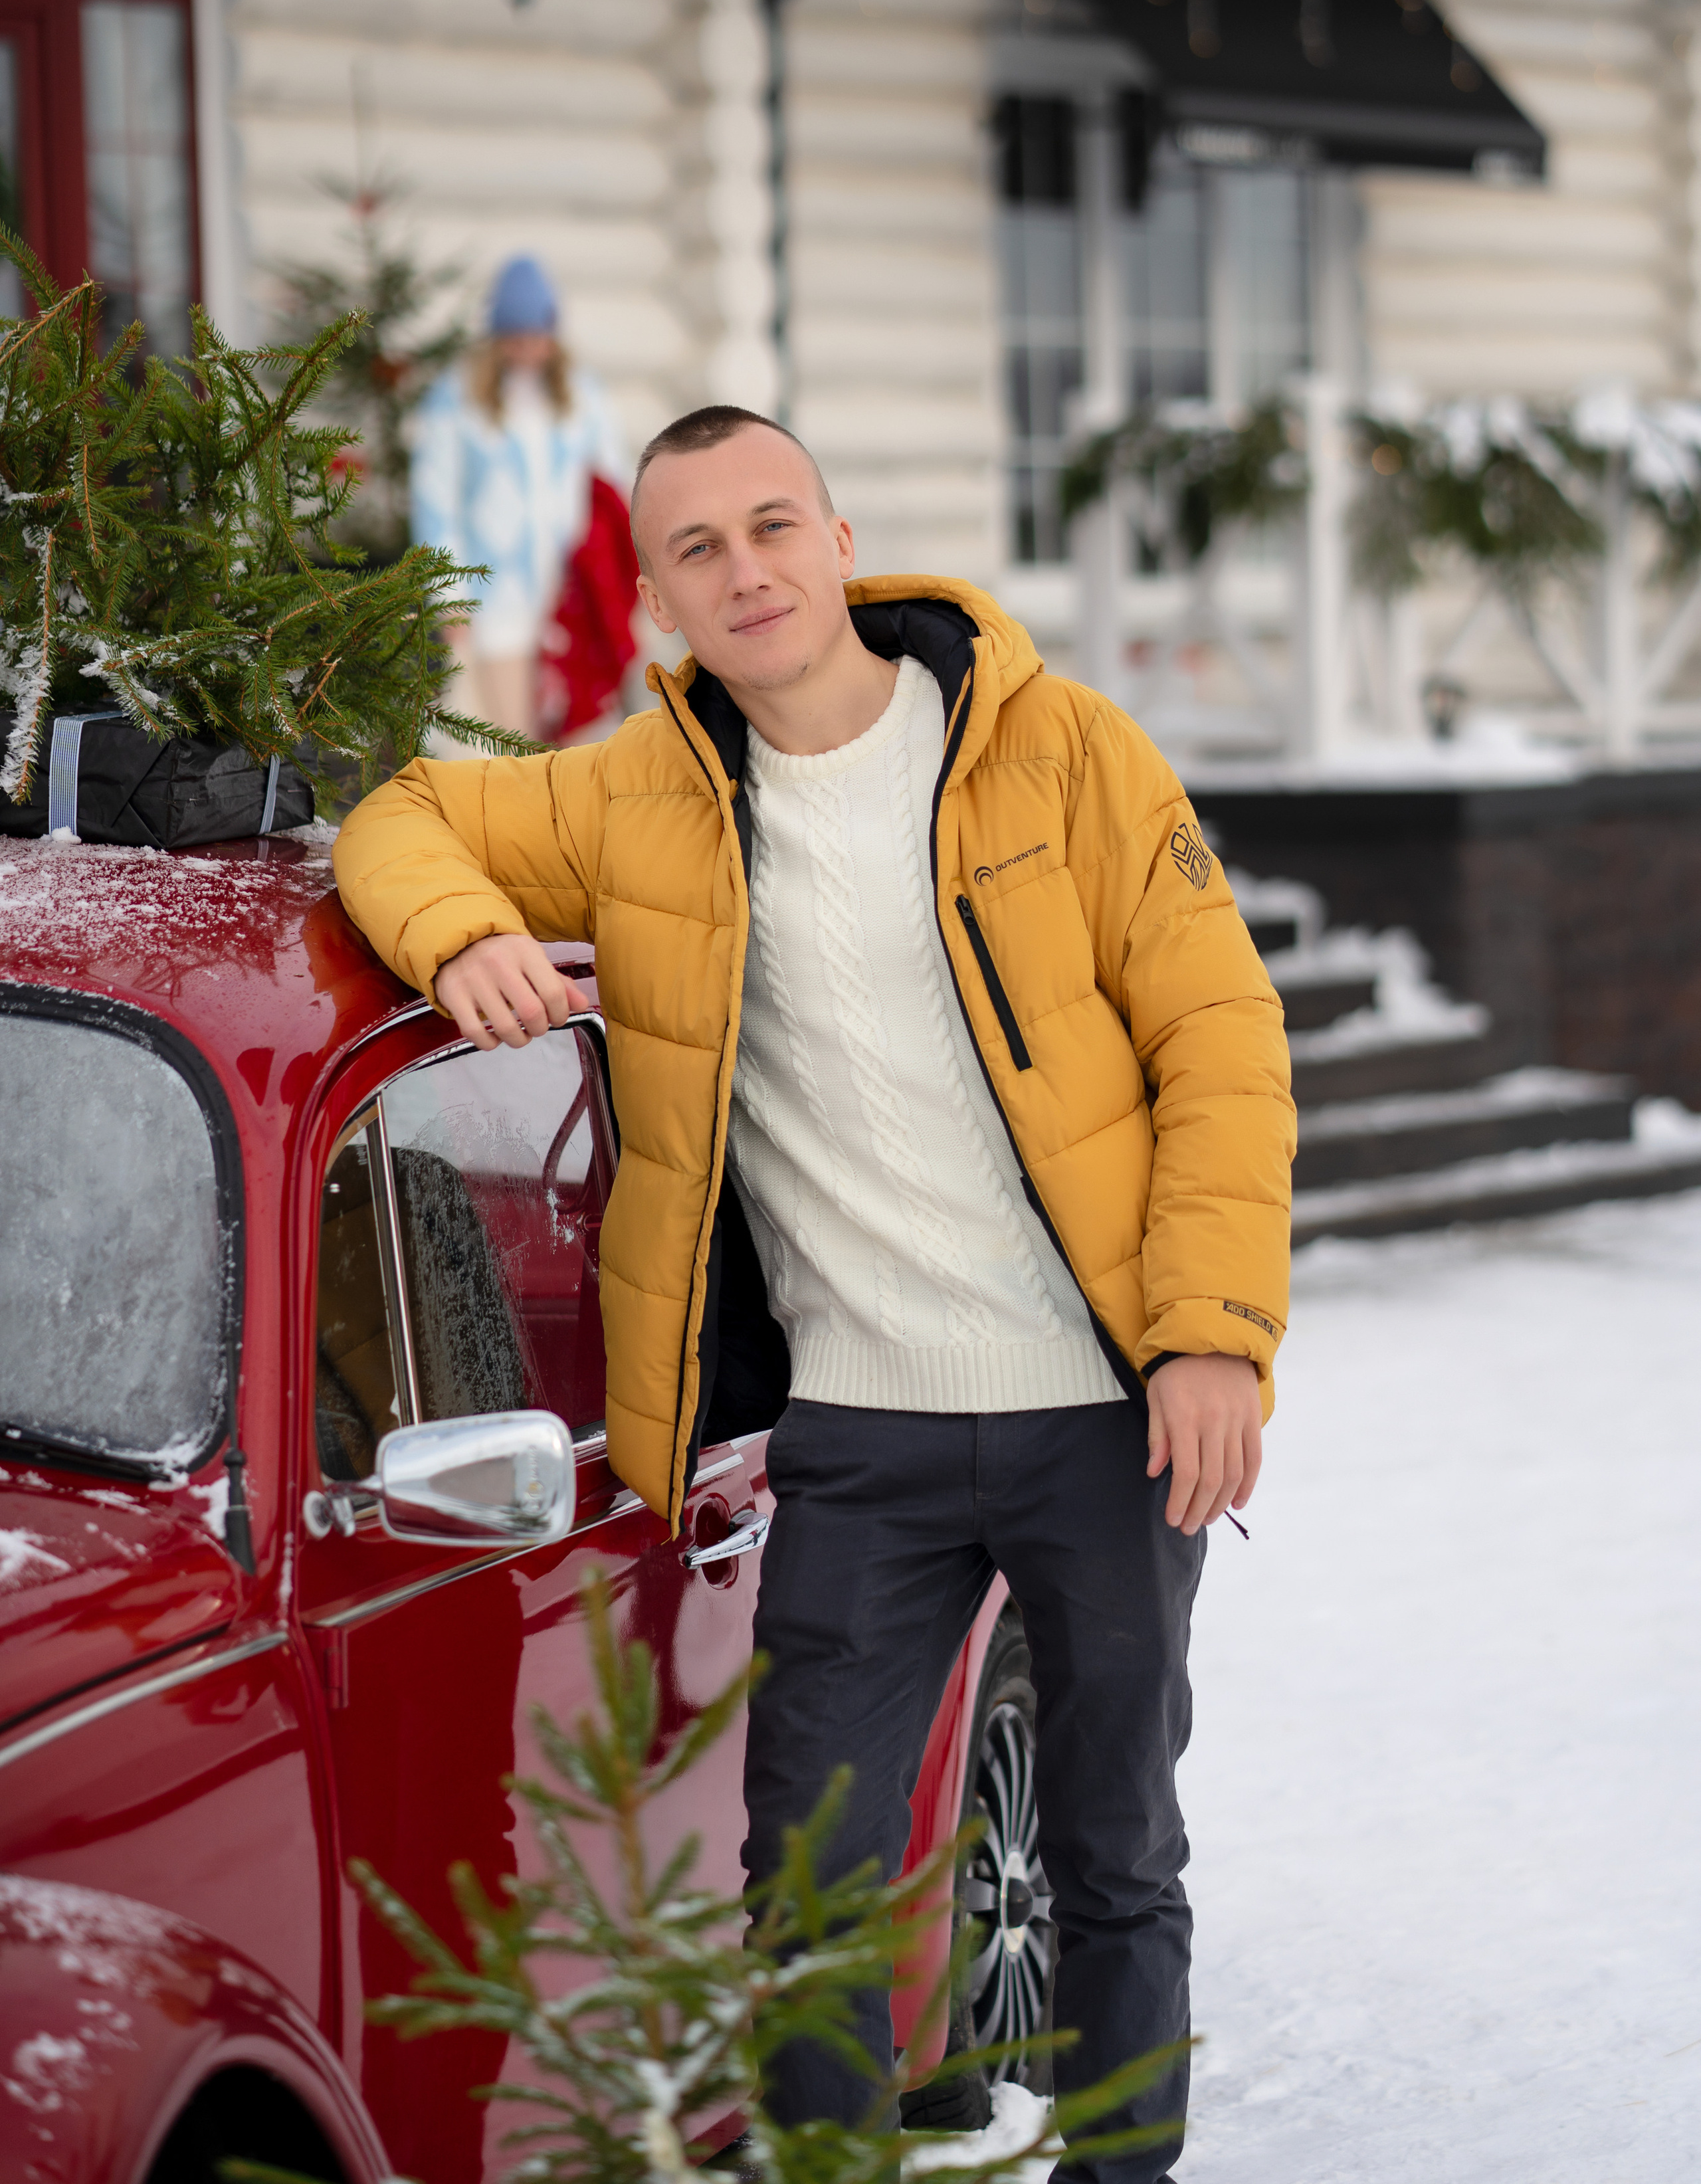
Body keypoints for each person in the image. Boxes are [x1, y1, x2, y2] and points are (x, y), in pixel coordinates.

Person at [334, 407, 1295, 2182]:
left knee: (1111, 1855)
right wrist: (463, 932)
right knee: (816, 1883)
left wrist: (1211, 1337)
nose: (745, 568)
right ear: (657, 596)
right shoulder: (633, 795)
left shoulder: (1064, 753)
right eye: (697, 547)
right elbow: (397, 812)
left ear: (842, 540)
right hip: (860, 1440)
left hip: (1105, 1411)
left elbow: (1220, 1041)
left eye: (774, 525)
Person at [411, 254, 629, 741]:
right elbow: (435, 506)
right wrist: (451, 599)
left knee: (582, 743)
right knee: (511, 743)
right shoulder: (456, 400)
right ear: (498, 336)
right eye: (517, 335)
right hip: (498, 606)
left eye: (538, 334)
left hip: (572, 599)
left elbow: (612, 490)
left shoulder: (583, 396)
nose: (529, 347)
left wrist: (615, 578)